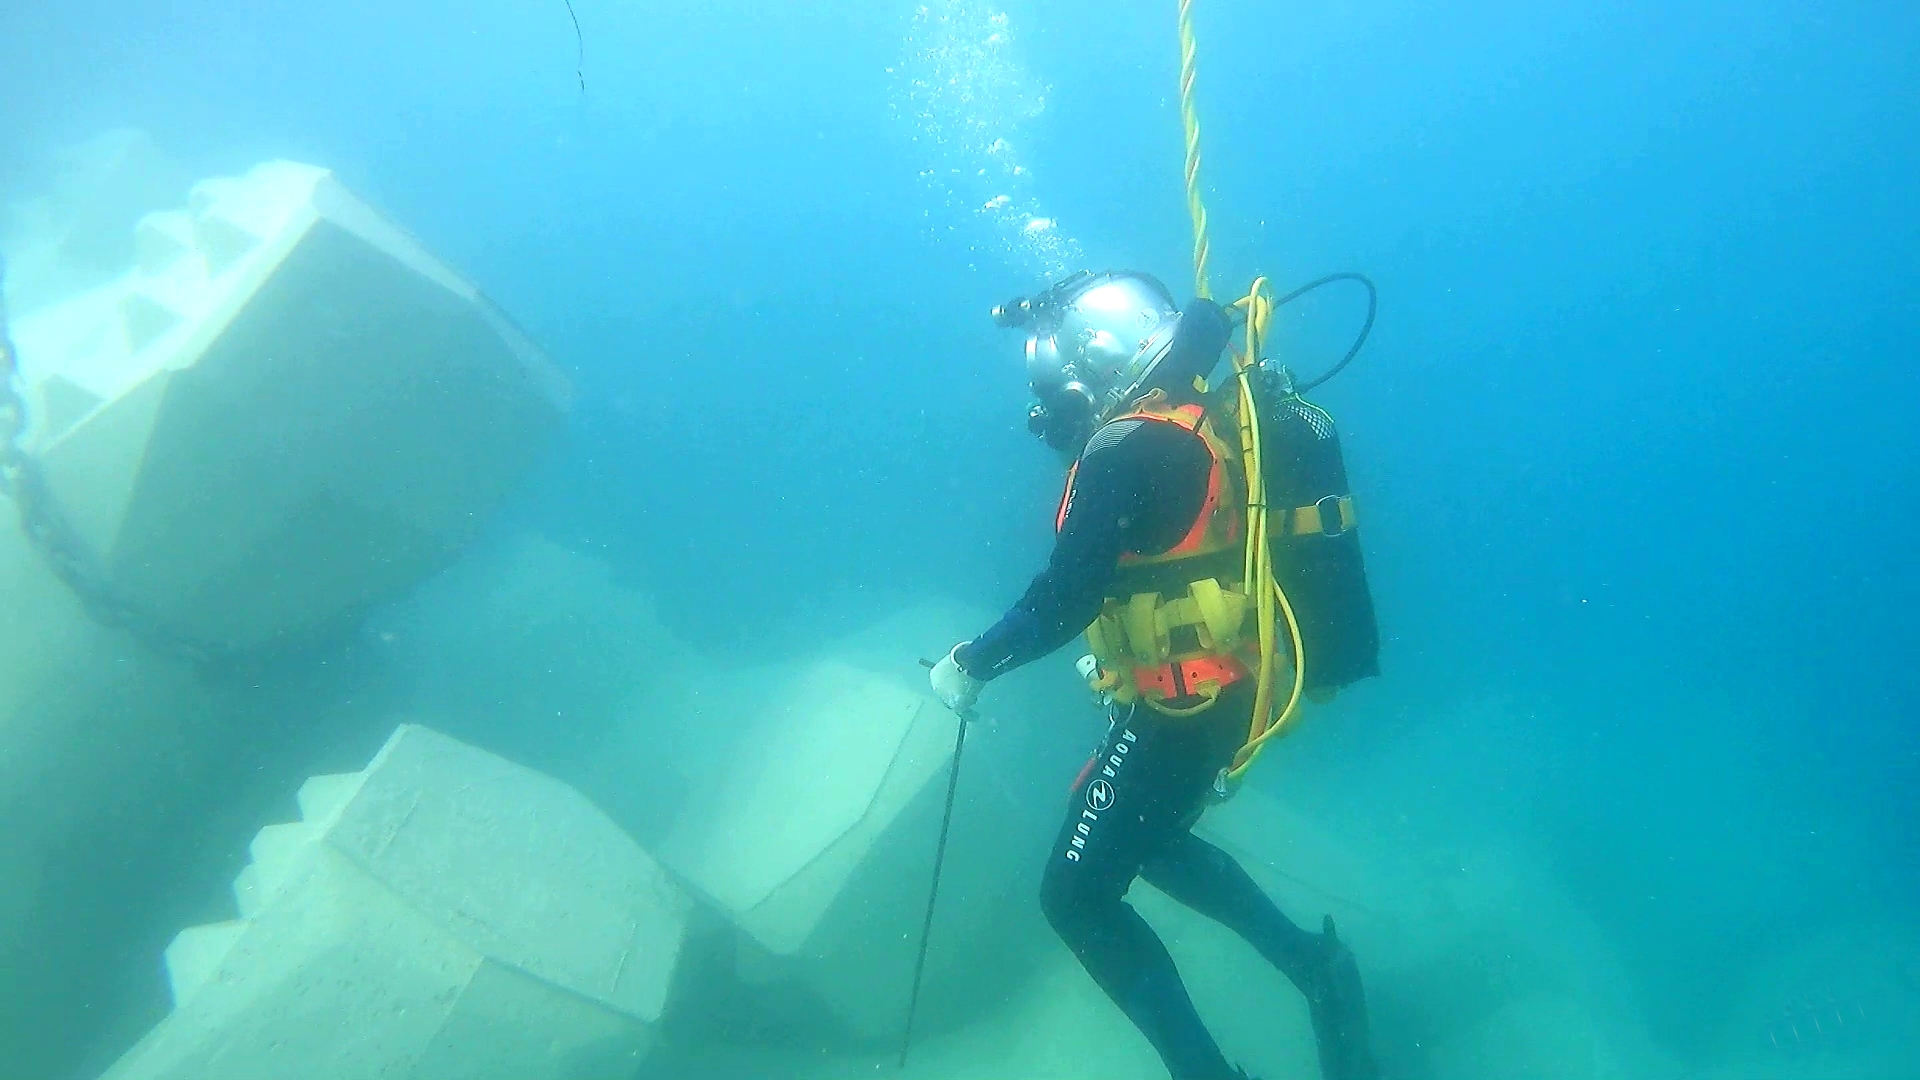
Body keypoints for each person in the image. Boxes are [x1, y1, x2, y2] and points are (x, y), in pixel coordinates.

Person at [927, 270, 1379, 1080]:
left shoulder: (1124, 444)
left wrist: (972, 666)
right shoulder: (1194, 413)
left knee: (1074, 896)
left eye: (1053, 400)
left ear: (1094, 370)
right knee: (1157, 843)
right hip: (1231, 686)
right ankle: (1318, 968)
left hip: (1187, 709)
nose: (1047, 422)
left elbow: (1062, 600)